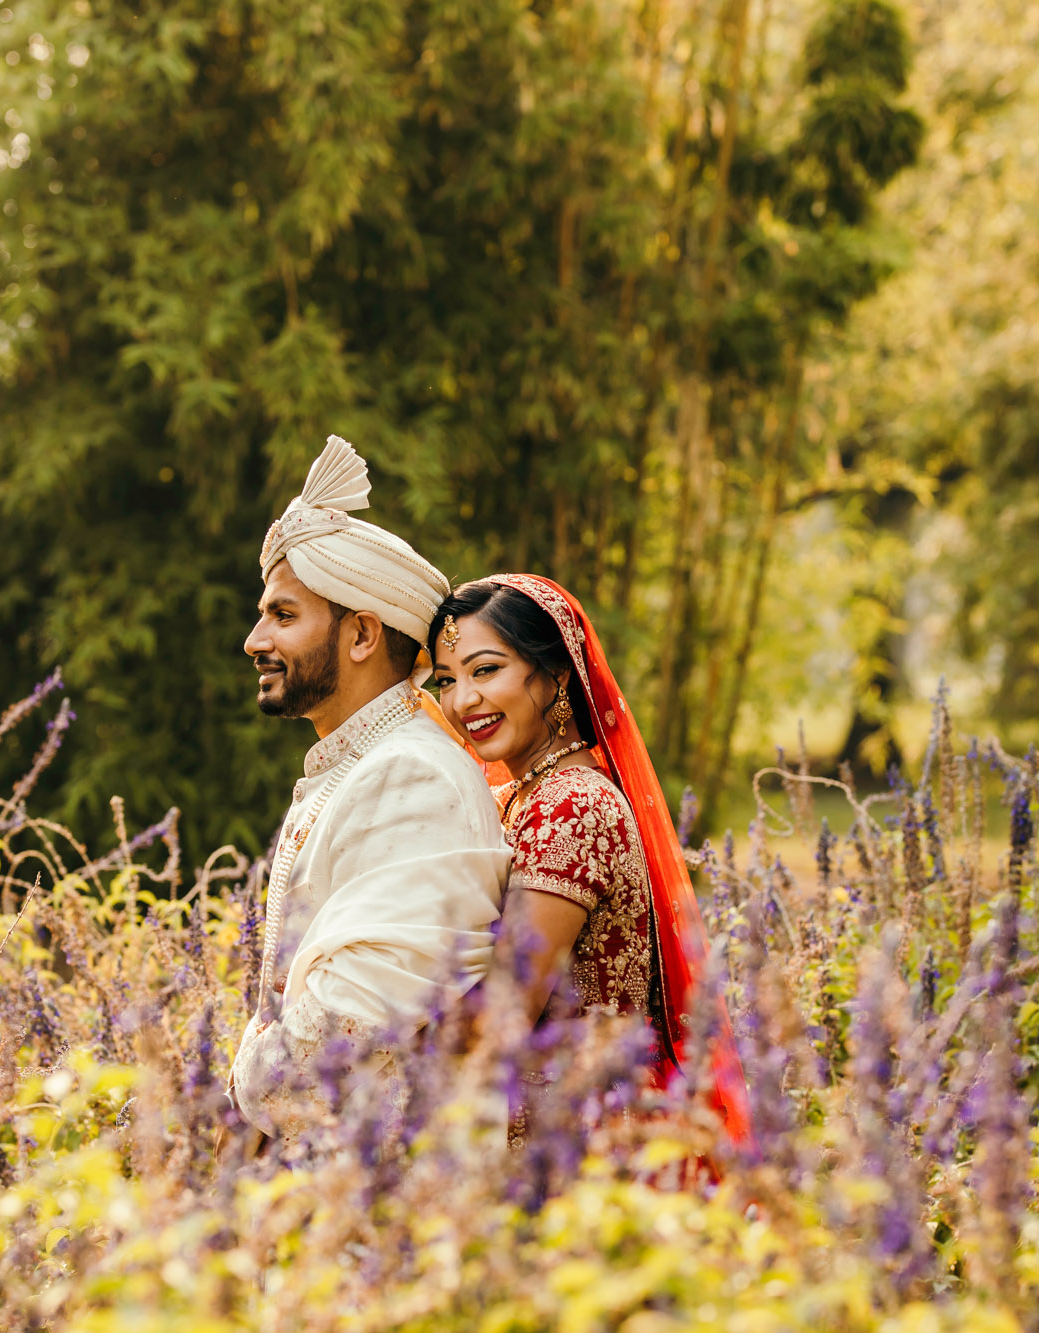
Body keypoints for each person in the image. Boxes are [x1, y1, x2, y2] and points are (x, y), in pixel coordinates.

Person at [227, 436, 512, 1148]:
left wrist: (237, 1074)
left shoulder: (410, 776)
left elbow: (340, 1027)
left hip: (386, 1206)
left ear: (360, 633)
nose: (254, 639)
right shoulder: (358, 764)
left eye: (283, 615)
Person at [427, 575, 752, 1145]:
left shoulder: (571, 806)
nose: (462, 701)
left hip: (578, 1143)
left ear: (554, 673)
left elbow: (506, 1012)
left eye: (485, 670)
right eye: (446, 680)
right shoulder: (517, 797)